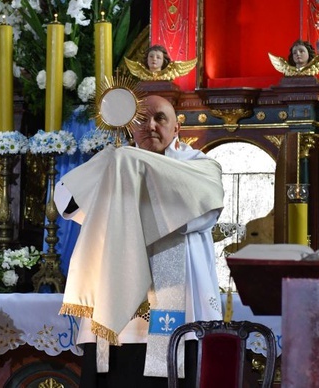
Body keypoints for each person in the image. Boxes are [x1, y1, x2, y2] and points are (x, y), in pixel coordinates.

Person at [55, 95, 224, 386]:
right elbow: (65, 200)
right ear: (130, 127)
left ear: (177, 128)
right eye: (142, 119)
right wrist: (110, 164)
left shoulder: (200, 165)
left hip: (178, 302)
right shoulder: (115, 162)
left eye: (160, 118)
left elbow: (204, 214)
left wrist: (133, 182)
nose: (151, 126)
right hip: (120, 314)